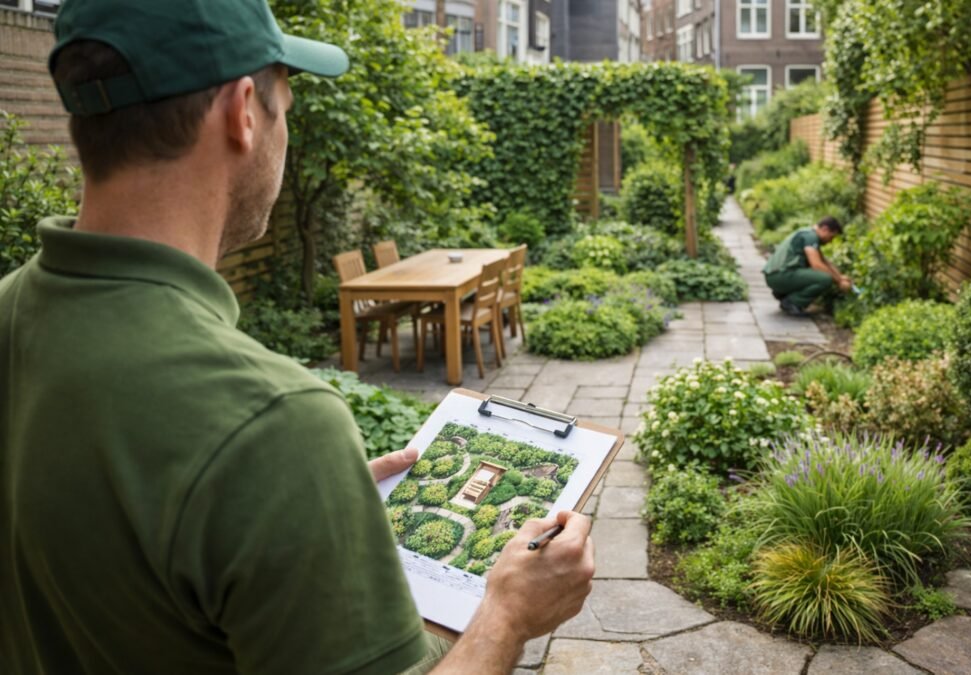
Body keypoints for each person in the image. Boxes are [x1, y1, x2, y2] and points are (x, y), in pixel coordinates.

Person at [0, 1, 594, 674]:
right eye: (288, 101)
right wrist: (508, 613)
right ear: (243, 113)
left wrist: (301, 510)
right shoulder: (273, 427)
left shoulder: (11, 315)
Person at [762, 215, 852, 317]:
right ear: (825, 229)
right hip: (780, 275)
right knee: (825, 279)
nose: (830, 241)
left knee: (825, 275)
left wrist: (840, 277)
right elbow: (817, 265)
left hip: (776, 275)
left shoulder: (808, 233)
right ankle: (792, 302)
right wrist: (839, 281)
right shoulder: (811, 237)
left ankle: (783, 294)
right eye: (831, 237)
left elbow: (825, 262)